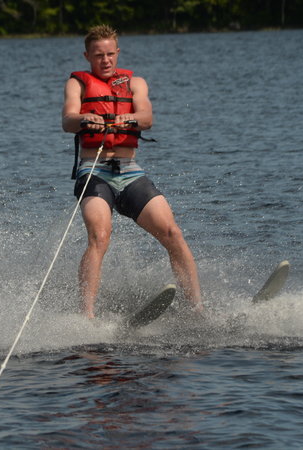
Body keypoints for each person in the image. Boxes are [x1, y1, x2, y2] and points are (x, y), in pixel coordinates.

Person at [62, 24, 203, 319]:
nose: (105, 60)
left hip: (130, 172)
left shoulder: (135, 83)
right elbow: (68, 120)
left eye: (110, 54)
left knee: (172, 233)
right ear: (87, 56)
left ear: (117, 52)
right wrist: (85, 118)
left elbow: (147, 118)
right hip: (94, 172)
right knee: (100, 236)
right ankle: (86, 316)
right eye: (98, 55)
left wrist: (127, 118)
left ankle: (197, 309)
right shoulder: (77, 84)